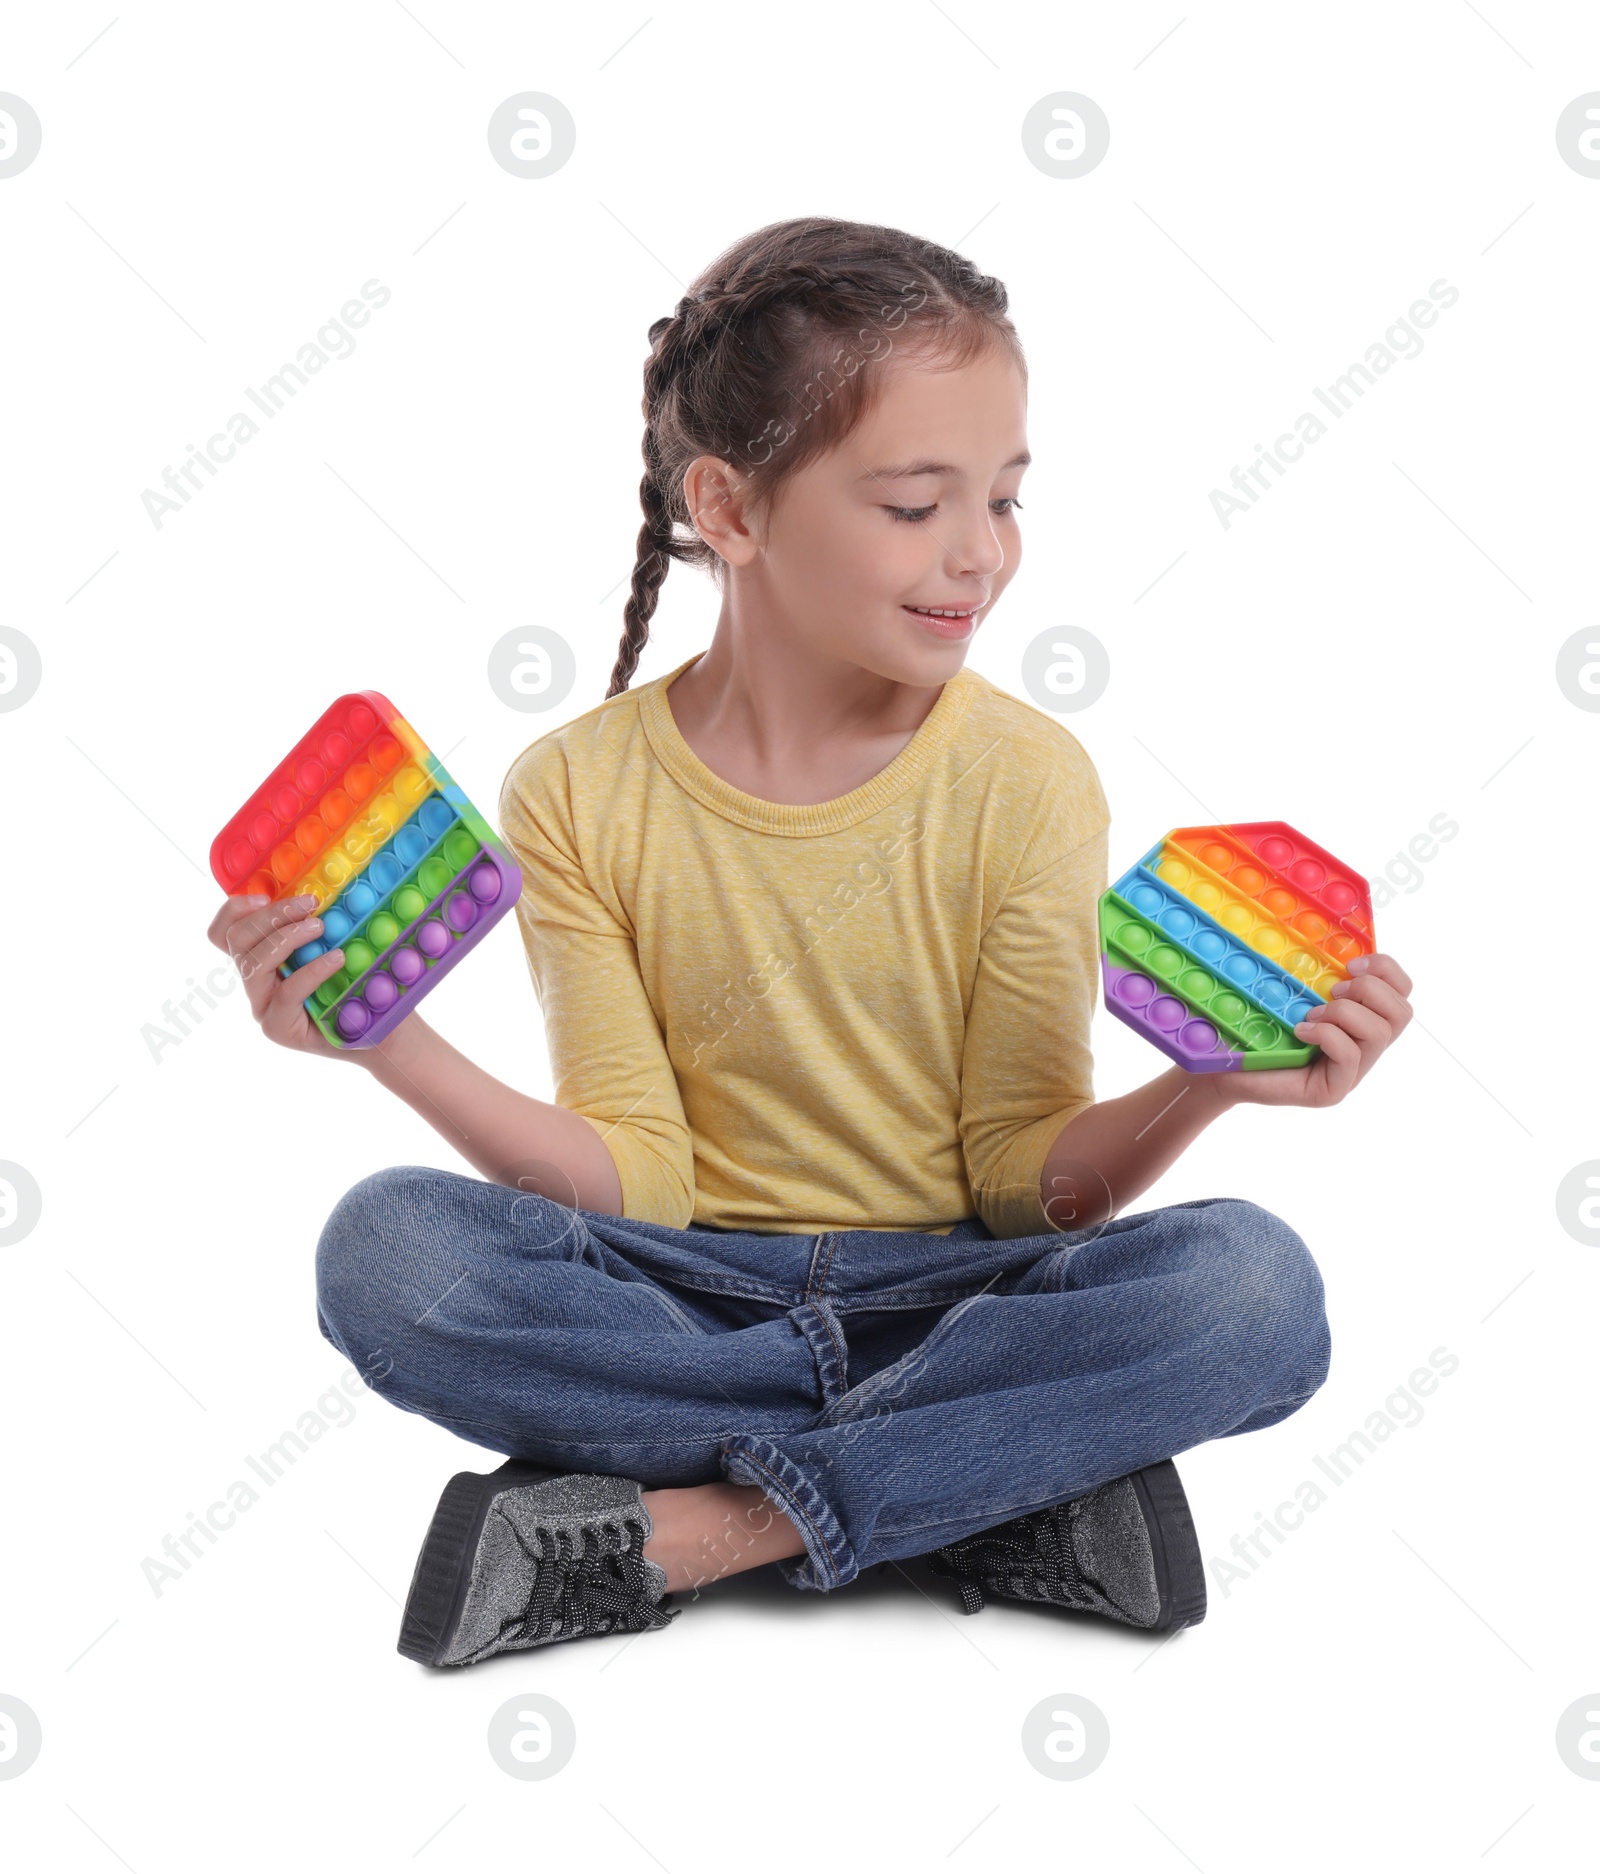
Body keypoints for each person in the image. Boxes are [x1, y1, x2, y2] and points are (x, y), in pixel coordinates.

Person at [207, 217, 1412, 1669]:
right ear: (729, 505)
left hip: (956, 1296)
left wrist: (1212, 1077)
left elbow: (1027, 1184)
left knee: (1253, 1291)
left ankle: (707, 1529)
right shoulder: (579, 790)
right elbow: (632, 1172)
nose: (982, 554)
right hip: (685, 1294)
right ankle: (986, 1484)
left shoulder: (1025, 780)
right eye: (915, 504)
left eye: (1008, 498)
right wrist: (385, 1042)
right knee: (388, 1250)